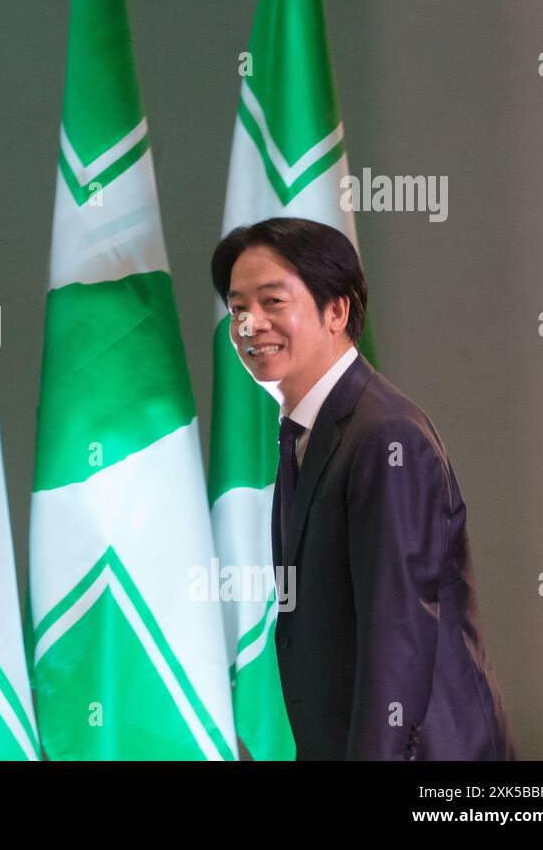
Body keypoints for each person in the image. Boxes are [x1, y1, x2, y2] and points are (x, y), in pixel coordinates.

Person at [211, 217, 515, 760]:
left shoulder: (385, 436)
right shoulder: (306, 430)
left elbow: (397, 638)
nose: (249, 324)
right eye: (237, 308)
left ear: (337, 311)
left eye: (272, 302)